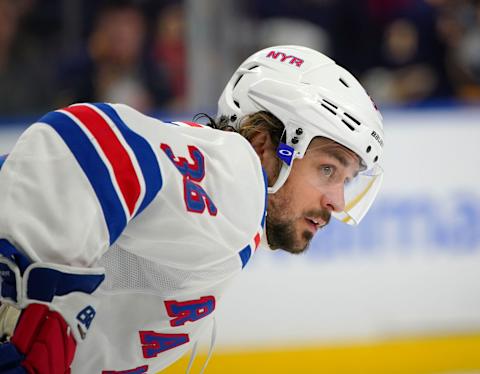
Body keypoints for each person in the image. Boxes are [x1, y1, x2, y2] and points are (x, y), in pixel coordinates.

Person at [0, 45, 384, 373]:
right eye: (328, 168)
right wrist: (29, 300)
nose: (338, 200)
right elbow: (84, 138)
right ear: (263, 146)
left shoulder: (230, 214)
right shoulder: (238, 177)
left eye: (346, 180)